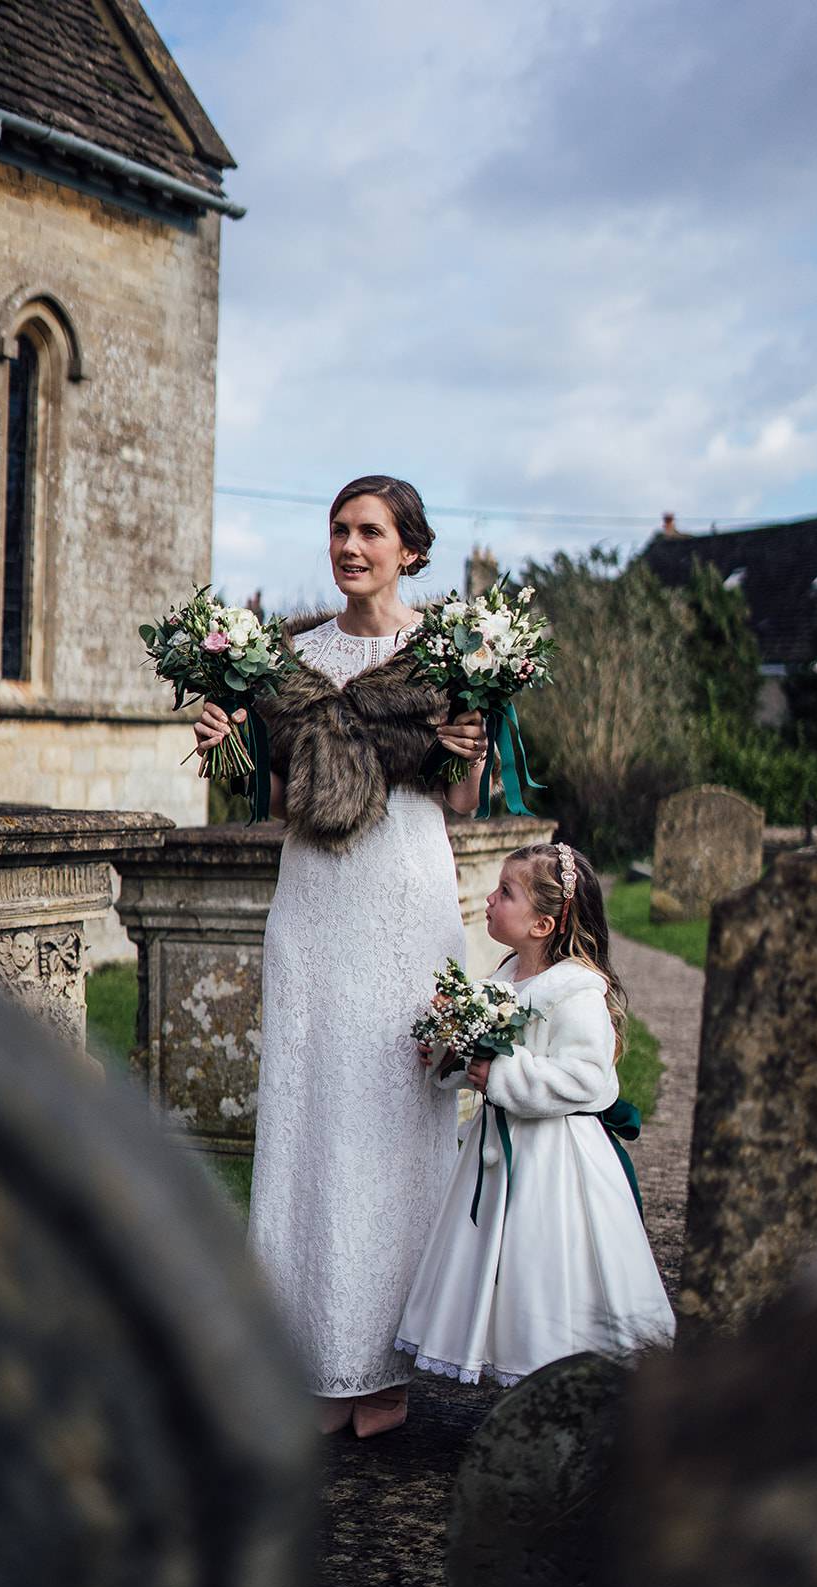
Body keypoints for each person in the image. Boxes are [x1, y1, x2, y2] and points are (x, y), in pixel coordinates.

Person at [193, 475, 485, 1437]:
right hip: (315, 896)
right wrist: (226, 741)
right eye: (338, 530)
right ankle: (313, 1355)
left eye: (369, 531)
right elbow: (276, 796)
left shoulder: (450, 654)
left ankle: (390, 1368)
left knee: (398, 1110)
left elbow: (463, 807)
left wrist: (468, 753)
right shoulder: (287, 658)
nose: (349, 545)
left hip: (404, 888)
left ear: (410, 547)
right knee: (313, 1104)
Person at [395, 843, 676, 1387]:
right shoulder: (505, 974)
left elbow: (585, 1078)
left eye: (506, 893)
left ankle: (555, 1373)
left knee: (546, 1262)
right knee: (499, 1262)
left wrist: (501, 1075)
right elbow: (484, 1053)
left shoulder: (574, 993)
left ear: (543, 923)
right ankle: (509, 1367)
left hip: (555, 1159)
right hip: (499, 1154)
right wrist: (450, 1056)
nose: (490, 899)